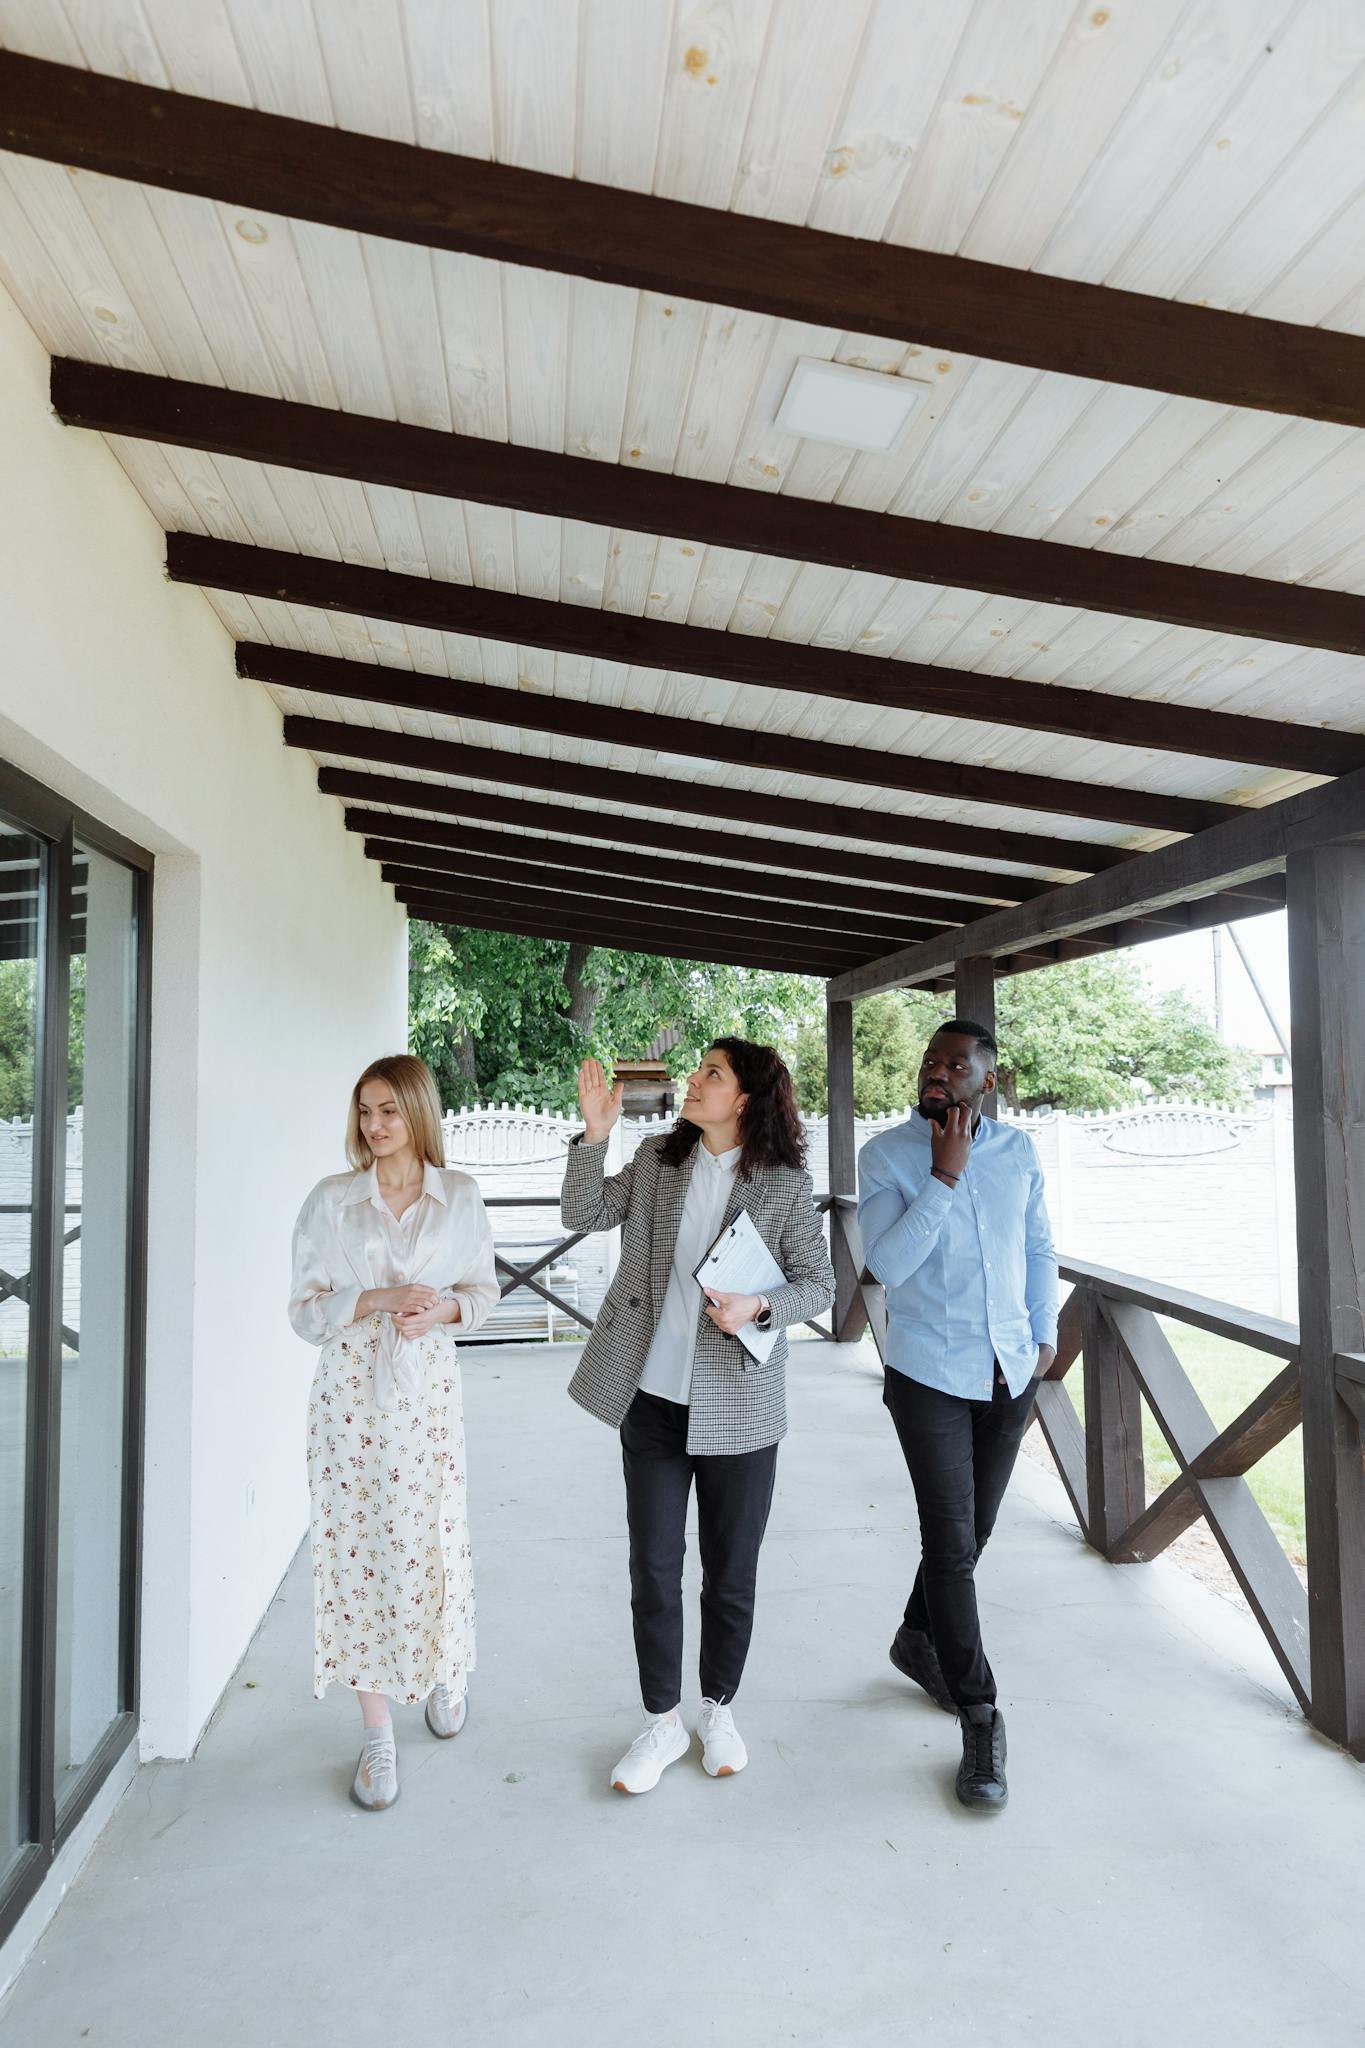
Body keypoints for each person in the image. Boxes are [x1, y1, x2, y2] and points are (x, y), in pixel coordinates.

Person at [563, 1040, 834, 1794]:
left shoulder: (784, 1183)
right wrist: (594, 1135)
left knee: (730, 1572)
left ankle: (718, 1709)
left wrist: (760, 1306)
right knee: (653, 1569)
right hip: (651, 1399)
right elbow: (582, 1211)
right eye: (699, 1070)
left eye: (711, 1073)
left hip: (741, 1406)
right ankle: (661, 1722)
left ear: (745, 1098)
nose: (694, 1078)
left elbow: (820, 1285)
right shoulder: (658, 1159)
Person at [857, 1018, 1058, 1812]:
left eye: (956, 1064)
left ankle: (916, 1638)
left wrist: (1043, 1334)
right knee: (949, 1546)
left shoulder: (1018, 1152)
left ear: (987, 1080)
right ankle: (980, 1715)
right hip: (929, 1374)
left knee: (972, 1532)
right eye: (930, 1061)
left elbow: (1036, 1247)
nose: (937, 1072)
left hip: (1010, 1370)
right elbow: (885, 1265)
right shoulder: (886, 1156)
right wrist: (943, 1176)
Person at [289, 1054, 498, 1811]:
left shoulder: (459, 1196)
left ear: (417, 1111)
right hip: (350, 1397)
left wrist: (441, 1309)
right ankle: (376, 1732)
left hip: (427, 1393)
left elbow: (482, 1291)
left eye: (388, 1110)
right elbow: (303, 1312)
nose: (374, 1125)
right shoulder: (331, 1201)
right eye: (365, 1110)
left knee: (433, 1535)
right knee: (358, 1549)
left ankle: (445, 1668)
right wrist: (376, 1298)